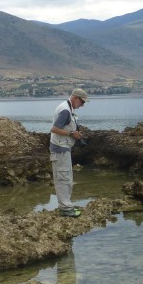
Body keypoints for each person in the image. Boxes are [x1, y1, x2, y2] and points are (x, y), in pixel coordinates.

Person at [49, 88, 88, 217]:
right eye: (82, 102)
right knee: (63, 178)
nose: (82, 105)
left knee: (66, 178)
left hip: (63, 148)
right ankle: (65, 208)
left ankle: (67, 205)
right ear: (75, 98)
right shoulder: (65, 110)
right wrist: (72, 133)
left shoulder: (68, 108)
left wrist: (74, 134)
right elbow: (54, 129)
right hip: (60, 149)